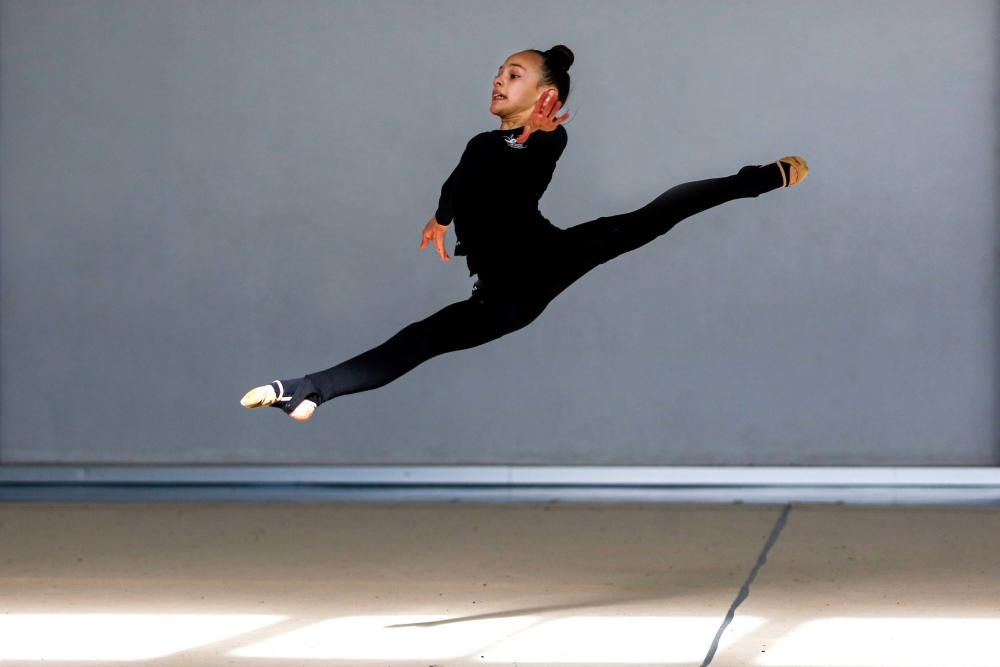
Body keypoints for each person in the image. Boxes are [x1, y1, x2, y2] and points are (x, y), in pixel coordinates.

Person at [240, 44, 809, 422]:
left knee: (651, 218)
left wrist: (530, 135)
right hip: (500, 297)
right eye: (498, 72)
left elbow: (527, 162)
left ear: (545, 97)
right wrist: (440, 220)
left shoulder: (547, 140)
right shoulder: (480, 144)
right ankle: (309, 387)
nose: (497, 79)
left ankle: (763, 178)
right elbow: (458, 182)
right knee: (420, 338)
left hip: (547, 256)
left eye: (513, 75)